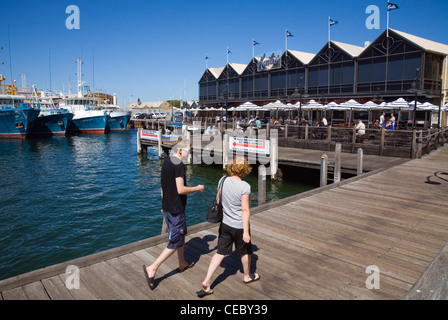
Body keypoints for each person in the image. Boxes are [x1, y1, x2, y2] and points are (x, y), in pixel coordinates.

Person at [144, 139, 205, 290]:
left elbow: (163, 186)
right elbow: (180, 189)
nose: (189, 153)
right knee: (176, 241)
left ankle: (182, 263)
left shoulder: (166, 162)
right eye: (188, 151)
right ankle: (153, 267)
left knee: (180, 235)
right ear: (180, 151)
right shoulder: (178, 165)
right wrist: (197, 188)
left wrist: (164, 204)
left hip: (168, 207)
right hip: (176, 209)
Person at [197, 157, 259, 297]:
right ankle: (247, 276)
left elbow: (218, 199)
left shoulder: (222, 180)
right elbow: (245, 210)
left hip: (225, 224)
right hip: (239, 226)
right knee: (245, 252)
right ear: (245, 170)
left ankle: (207, 280)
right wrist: (246, 232)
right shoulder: (245, 186)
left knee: (220, 252)